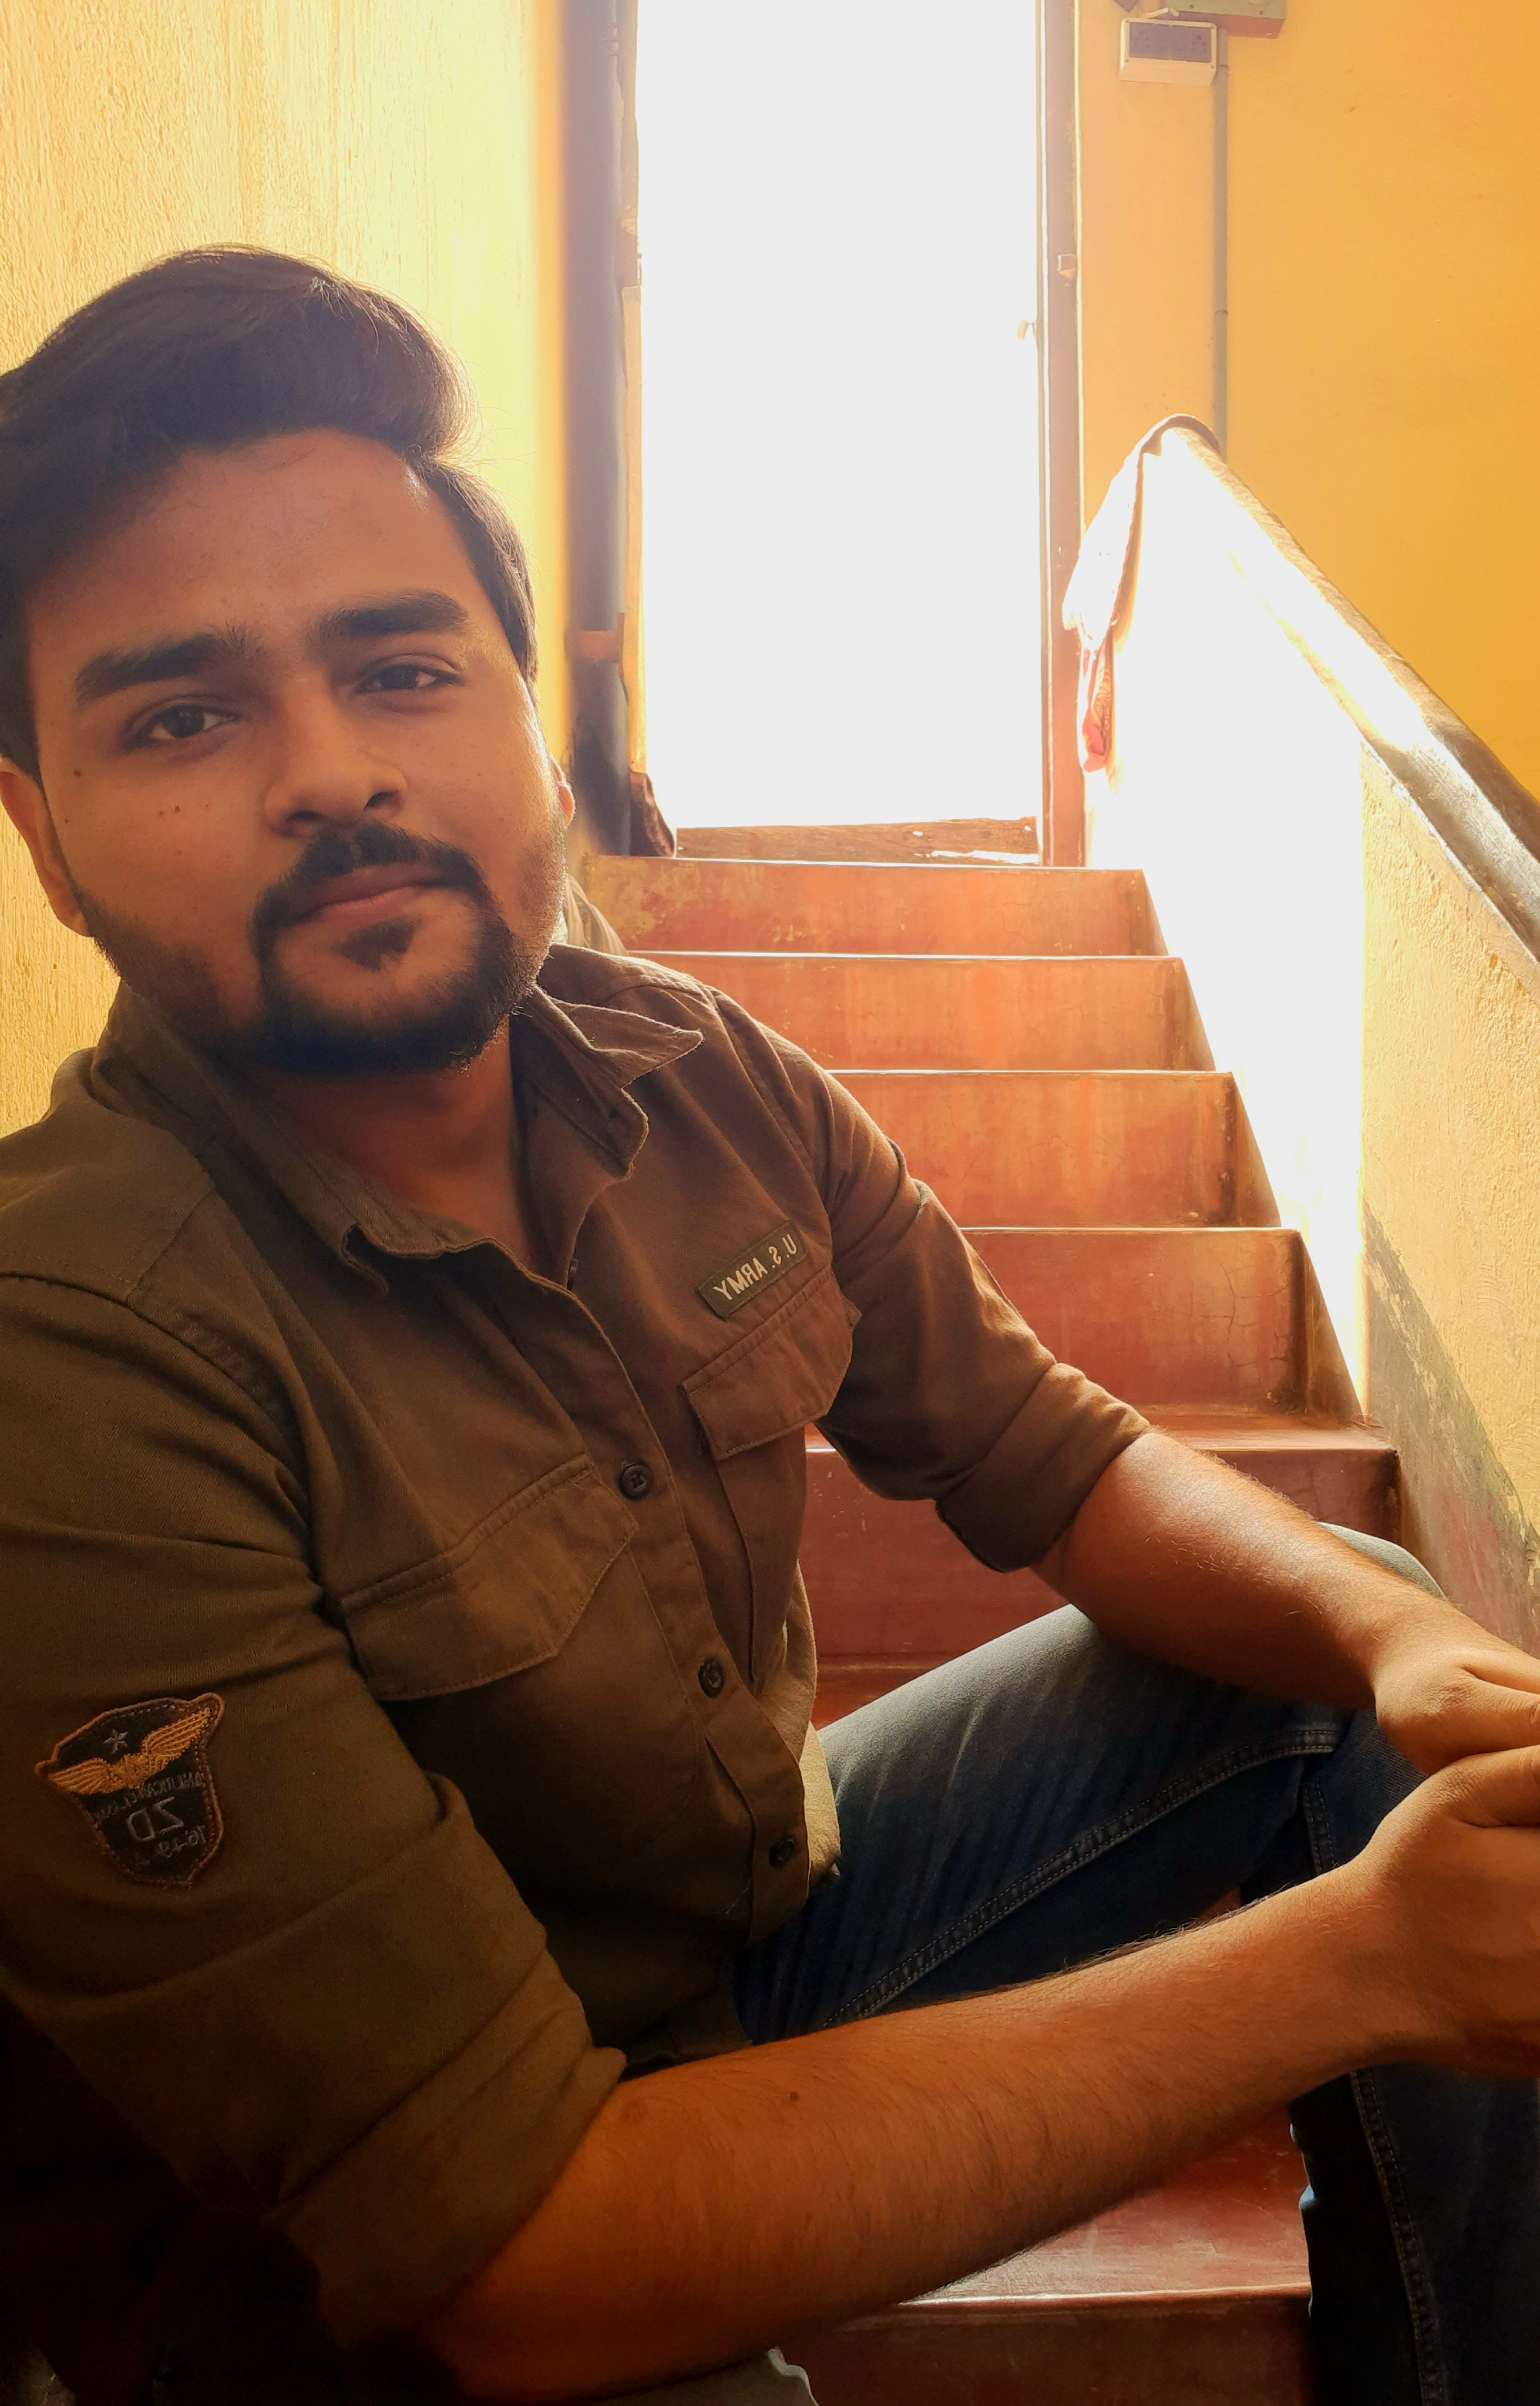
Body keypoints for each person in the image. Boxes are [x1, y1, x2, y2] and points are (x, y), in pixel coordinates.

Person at [0, 250, 1536, 2406]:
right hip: (406, 2274)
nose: (330, 772)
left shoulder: (699, 1076)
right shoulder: (67, 1362)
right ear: (47, 844)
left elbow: (1056, 1459)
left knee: (1358, 1663)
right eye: (181, 717)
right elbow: (526, 2260)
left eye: (404, 668)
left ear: (535, 730)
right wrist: (1361, 1965)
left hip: (760, 1937)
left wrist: (1399, 1644)